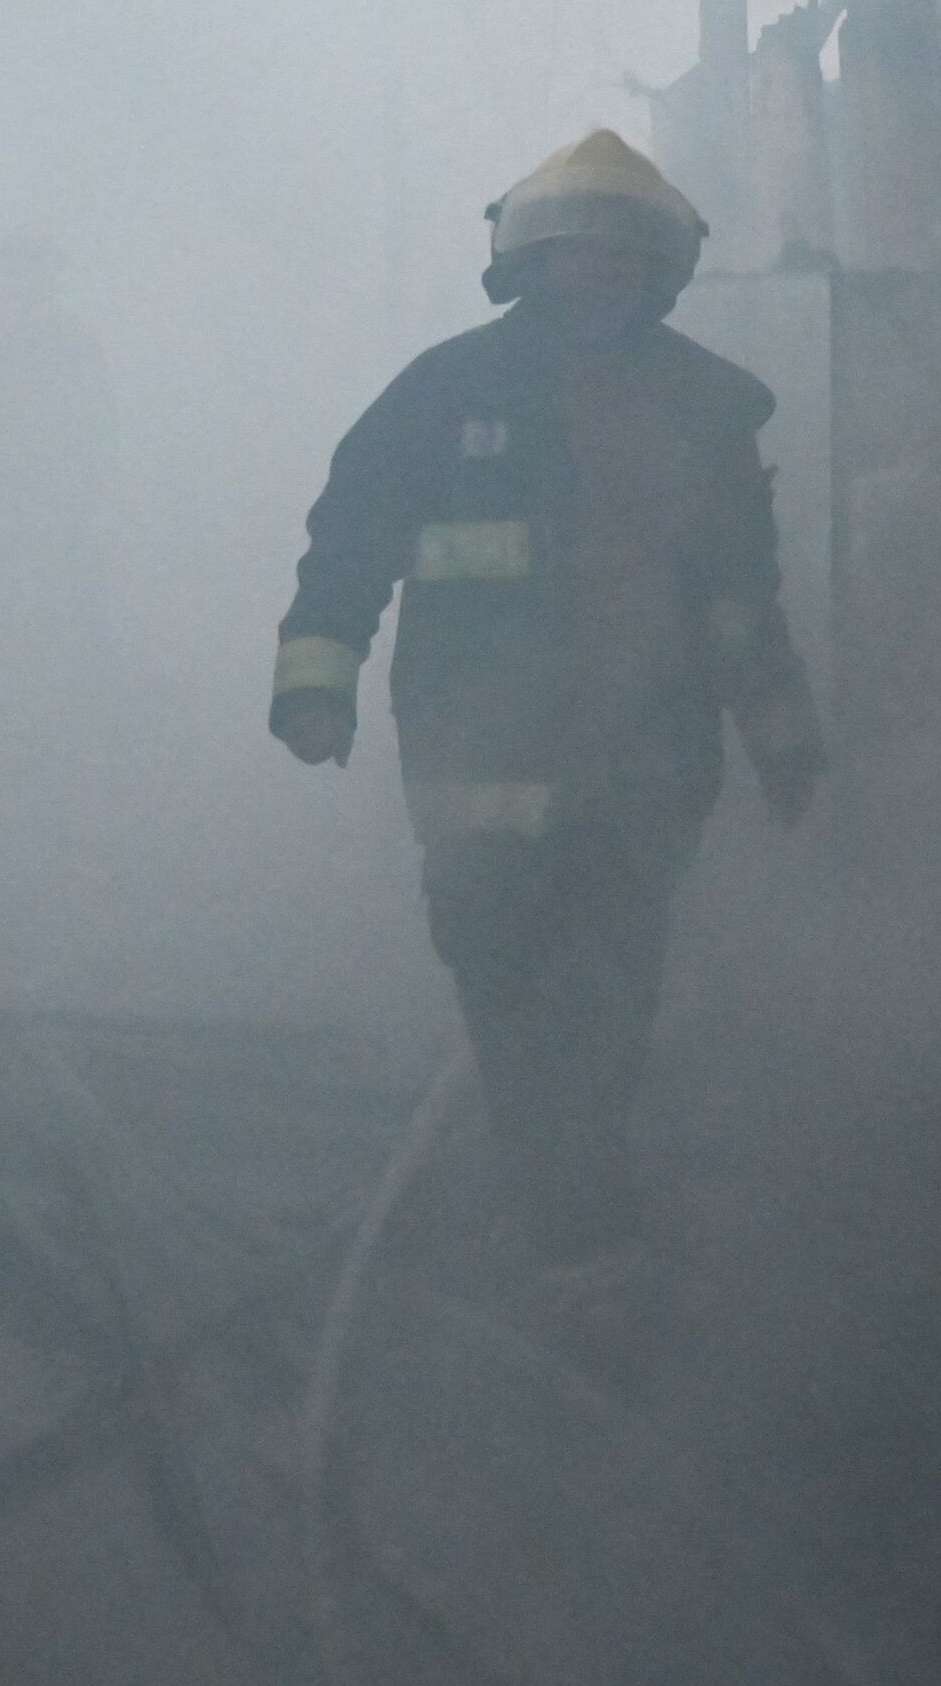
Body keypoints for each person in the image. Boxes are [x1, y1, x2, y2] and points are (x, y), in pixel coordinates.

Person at [267, 131, 826, 1332]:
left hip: (646, 765)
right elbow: (350, 542)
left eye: (617, 260)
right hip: (483, 764)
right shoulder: (445, 395)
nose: (596, 279)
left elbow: (739, 599)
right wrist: (315, 684)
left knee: (611, 995)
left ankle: (576, 1205)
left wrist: (781, 737)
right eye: (573, 258)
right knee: (506, 978)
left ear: (654, 273)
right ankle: (577, 1238)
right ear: (528, 268)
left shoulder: (701, 407)